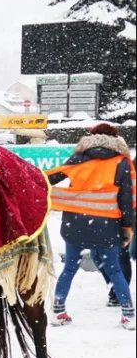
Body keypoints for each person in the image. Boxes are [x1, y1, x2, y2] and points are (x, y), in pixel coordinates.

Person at [46, 123, 135, 330]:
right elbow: (126, 198)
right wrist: (127, 226)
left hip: (75, 223)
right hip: (107, 225)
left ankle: (58, 311)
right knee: (115, 270)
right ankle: (129, 315)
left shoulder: (79, 157)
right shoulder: (122, 162)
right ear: (116, 138)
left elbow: (50, 178)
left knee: (69, 268)